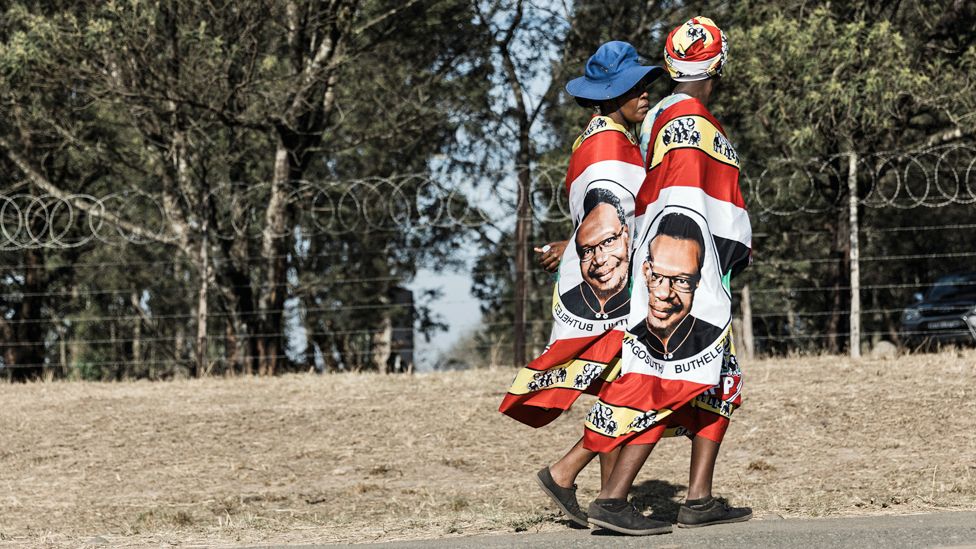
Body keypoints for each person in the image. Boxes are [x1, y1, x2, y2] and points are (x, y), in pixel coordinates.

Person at [580, 17, 753, 535]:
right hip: (686, 271)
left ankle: (698, 498)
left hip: (684, 267)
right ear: (718, 65)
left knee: (719, 380)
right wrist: (703, 261)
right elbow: (691, 199)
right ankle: (610, 499)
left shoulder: (657, 116)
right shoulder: (695, 124)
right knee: (669, 379)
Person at [499, 41, 664, 528]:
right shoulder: (613, 145)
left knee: (621, 386)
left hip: (603, 281)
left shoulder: (594, 140)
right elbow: (620, 215)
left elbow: (597, 213)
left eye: (645, 84)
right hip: (616, 287)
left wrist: (567, 244)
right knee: (632, 387)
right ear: (608, 95)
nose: (645, 94)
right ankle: (577, 480)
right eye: (633, 87)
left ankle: (605, 498)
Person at [629, 212, 723, 361]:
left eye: (681, 280)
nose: (664, 293)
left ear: (699, 280)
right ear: (646, 272)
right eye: (656, 276)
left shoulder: (715, 341)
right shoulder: (627, 339)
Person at [559, 188, 631, 321]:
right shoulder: (567, 302)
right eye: (587, 251)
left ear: (626, 234)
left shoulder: (652, 295)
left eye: (608, 241)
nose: (599, 259)